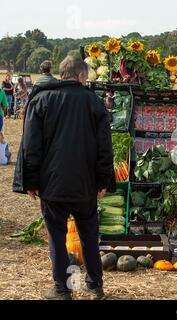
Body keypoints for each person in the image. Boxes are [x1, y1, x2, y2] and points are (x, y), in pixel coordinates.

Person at [19, 56, 113, 300]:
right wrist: (103, 180)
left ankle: (62, 290)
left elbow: (31, 146)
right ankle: (94, 286)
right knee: (89, 236)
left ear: (62, 75)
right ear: (81, 76)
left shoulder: (41, 100)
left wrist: (30, 181)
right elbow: (105, 146)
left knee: (57, 238)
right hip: (85, 184)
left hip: (52, 184)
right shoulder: (93, 102)